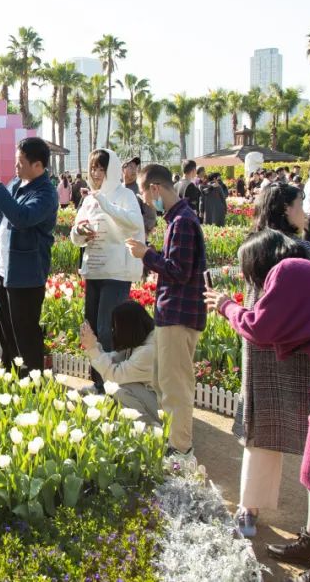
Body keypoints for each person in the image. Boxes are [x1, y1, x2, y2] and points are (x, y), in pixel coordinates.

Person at [206, 230, 310, 582]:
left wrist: (225, 305)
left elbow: (260, 328)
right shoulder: (300, 269)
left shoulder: (285, 271)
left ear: (258, 261)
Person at [232, 184, 310, 539]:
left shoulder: (254, 243)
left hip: (258, 340)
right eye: (300, 204)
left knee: (261, 428)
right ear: (286, 208)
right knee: (306, 430)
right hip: (296, 345)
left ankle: (249, 507)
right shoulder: (303, 249)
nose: (305, 211)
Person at [126, 164, 206, 458]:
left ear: (155, 188)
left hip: (179, 315)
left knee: (175, 387)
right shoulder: (178, 219)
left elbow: (179, 271)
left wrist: (146, 254)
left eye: (145, 194)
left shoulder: (182, 222)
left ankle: (181, 450)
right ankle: (174, 442)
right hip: (172, 313)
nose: (146, 201)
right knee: (164, 382)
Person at [0, 137, 59, 375]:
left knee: (25, 333)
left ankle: (31, 382)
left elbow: (22, 218)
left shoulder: (46, 193)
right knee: (6, 331)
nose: (16, 166)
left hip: (26, 274)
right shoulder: (16, 183)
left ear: (38, 165)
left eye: (21, 162)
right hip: (4, 271)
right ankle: (11, 375)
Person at [70, 149, 145, 352]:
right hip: (94, 270)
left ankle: (112, 371)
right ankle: (97, 372)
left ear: (111, 170)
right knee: (92, 329)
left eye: (101, 169)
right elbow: (75, 236)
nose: (95, 174)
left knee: (107, 329)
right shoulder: (88, 200)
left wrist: (105, 204)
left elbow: (135, 224)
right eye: (93, 168)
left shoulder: (125, 195)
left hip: (116, 274)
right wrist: (80, 231)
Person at [78, 301, 160, 427]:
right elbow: (114, 359)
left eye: (115, 327)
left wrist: (92, 348)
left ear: (128, 328)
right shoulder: (144, 337)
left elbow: (115, 376)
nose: (114, 331)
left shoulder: (148, 351)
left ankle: (147, 426)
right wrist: (93, 346)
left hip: (164, 408)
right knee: (119, 387)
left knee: (120, 388)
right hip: (156, 398)